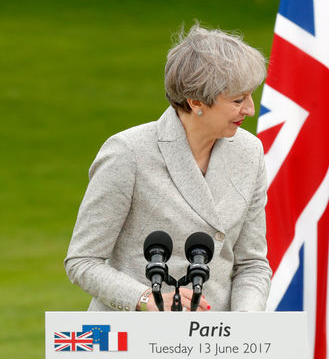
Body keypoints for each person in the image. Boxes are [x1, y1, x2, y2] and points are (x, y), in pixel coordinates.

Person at [64, 25, 272, 312]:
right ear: (196, 102)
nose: (250, 109)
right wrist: (147, 299)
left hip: (216, 345)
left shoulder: (250, 152)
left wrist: (244, 325)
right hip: (131, 343)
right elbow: (82, 261)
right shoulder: (128, 152)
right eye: (238, 100)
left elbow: (251, 263)